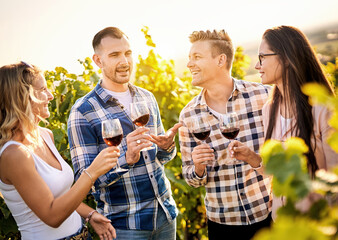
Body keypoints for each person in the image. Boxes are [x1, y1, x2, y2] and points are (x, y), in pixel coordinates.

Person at [67, 27, 181, 240]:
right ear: (98, 60)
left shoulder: (146, 98)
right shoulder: (83, 111)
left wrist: (166, 147)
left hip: (165, 215)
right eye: (114, 55)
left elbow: (160, 158)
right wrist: (125, 158)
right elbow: (86, 179)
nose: (124, 61)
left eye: (128, 53)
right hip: (124, 226)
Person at [229, 25, 338, 220]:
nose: (257, 66)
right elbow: (277, 170)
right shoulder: (269, 110)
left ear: (286, 58)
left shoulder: (323, 109)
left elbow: (335, 181)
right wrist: (252, 158)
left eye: (262, 57)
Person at [0, 62, 118, 240]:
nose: (50, 95)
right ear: (22, 97)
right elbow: (52, 216)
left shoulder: (45, 135)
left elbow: (61, 195)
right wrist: (92, 172)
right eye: (43, 90)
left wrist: (90, 214)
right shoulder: (14, 154)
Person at [178, 30, 272, 240]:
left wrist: (254, 159)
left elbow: (284, 155)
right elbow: (191, 178)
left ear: (221, 60)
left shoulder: (263, 96)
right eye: (189, 58)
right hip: (222, 225)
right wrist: (199, 167)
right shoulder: (188, 115)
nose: (189, 64)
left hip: (268, 215)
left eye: (197, 57)